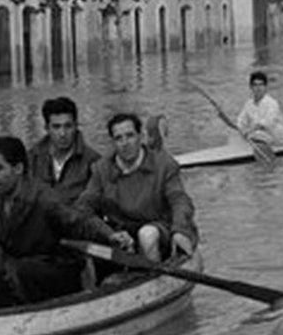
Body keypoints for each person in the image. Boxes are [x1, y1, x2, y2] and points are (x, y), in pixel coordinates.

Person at [0, 136, 125, 308]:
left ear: (18, 168)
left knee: (17, 270)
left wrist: (110, 235)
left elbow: (78, 221)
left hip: (54, 269)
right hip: (17, 270)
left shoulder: (44, 197)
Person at [76, 113, 197, 264]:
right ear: (113, 143)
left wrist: (180, 230)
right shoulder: (101, 169)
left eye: (130, 136)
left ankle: (153, 271)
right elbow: (84, 208)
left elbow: (179, 200)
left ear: (140, 137)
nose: (125, 143)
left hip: (160, 228)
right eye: (118, 138)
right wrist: (109, 234)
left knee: (147, 235)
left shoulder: (164, 165)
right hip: (122, 233)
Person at [28, 97, 101, 205]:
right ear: (47, 128)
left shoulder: (93, 162)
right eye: (56, 127)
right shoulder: (32, 159)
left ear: (76, 126)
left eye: (68, 126)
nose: (62, 133)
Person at [236, 71, 283, 147]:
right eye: (255, 85)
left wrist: (250, 130)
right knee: (236, 137)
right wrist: (241, 129)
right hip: (258, 135)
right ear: (251, 87)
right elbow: (241, 121)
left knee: (257, 134)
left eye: (261, 85)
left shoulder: (272, 103)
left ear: (265, 87)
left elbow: (266, 123)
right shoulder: (248, 104)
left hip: (276, 138)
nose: (258, 88)